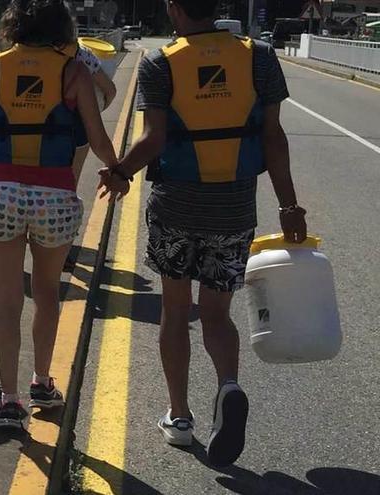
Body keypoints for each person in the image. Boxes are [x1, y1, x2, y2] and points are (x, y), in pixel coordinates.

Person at [99, 0, 307, 467]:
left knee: (176, 311)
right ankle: (228, 387)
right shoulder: (260, 56)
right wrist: (289, 206)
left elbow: (153, 139)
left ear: (173, 9)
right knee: (217, 312)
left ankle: (179, 417)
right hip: (234, 207)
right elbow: (274, 137)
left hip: (176, 204)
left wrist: (119, 171)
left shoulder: (160, 62)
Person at [0, 0, 118, 429]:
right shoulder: (73, 71)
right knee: (47, 294)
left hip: (0, 195)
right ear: (61, 27)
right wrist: (119, 171)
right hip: (54, 199)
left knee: (6, 300)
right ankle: (40, 381)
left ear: (12, 25)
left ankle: (9, 399)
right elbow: (97, 139)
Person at [71, 45, 117, 182]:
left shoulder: (8, 58)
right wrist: (116, 169)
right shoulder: (79, 54)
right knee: (70, 183)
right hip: (74, 127)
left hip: (21, 126)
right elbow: (110, 90)